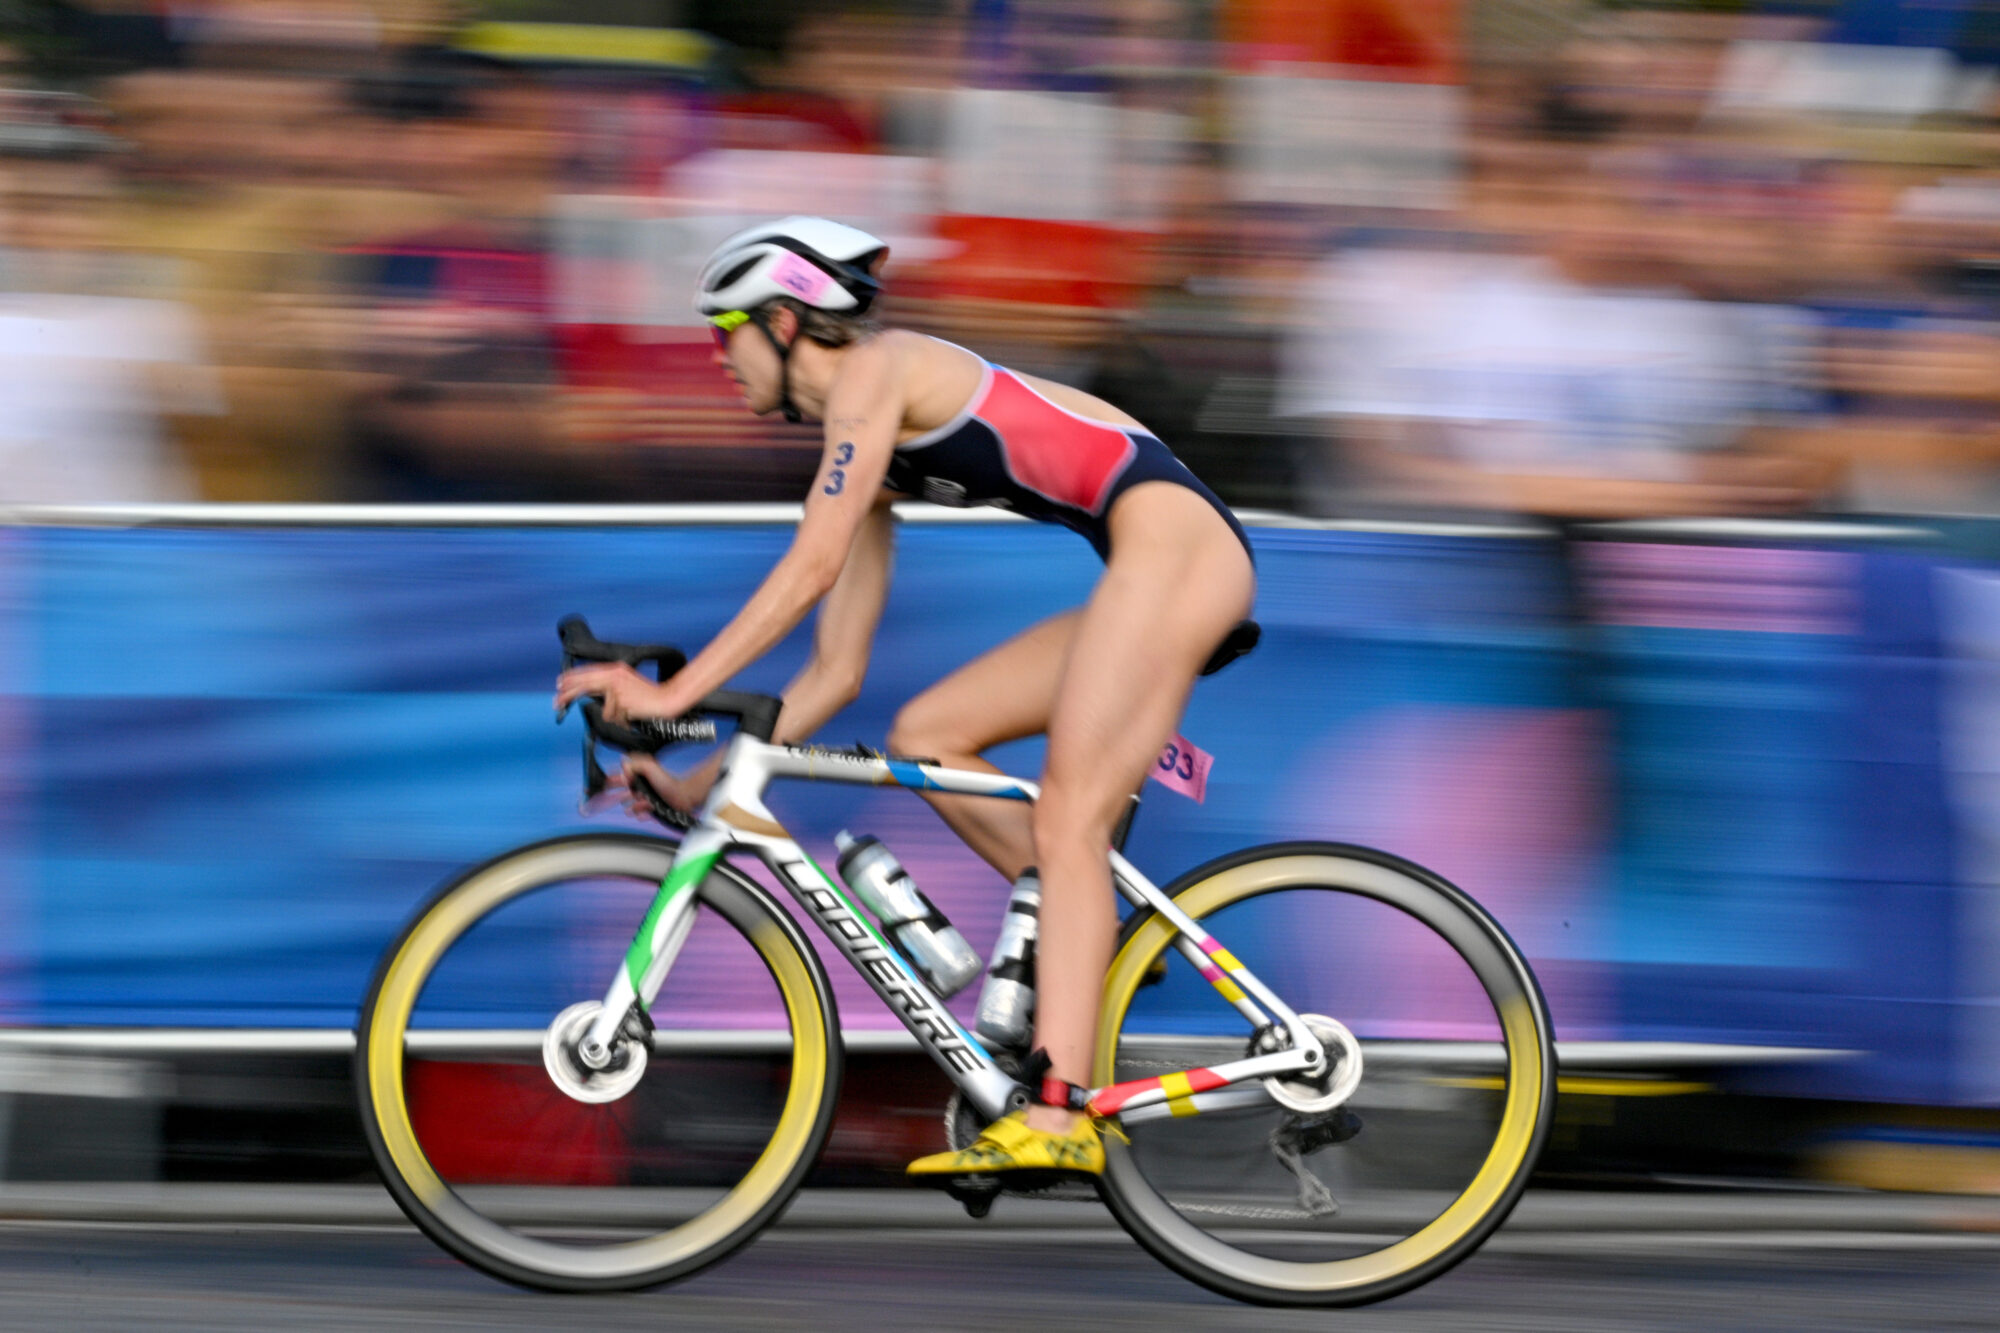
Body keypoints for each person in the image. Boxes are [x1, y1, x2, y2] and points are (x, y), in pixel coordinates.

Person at [552, 215, 1256, 1176]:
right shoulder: (872, 451)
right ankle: (1100, 932)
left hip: (1177, 550)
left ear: (785, 323)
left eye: (727, 331)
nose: (717, 356)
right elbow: (833, 671)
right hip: (1157, 557)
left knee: (1068, 823)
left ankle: (1059, 1121)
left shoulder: (878, 372)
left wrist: (668, 692)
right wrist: (695, 783)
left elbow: (810, 565)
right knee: (928, 734)